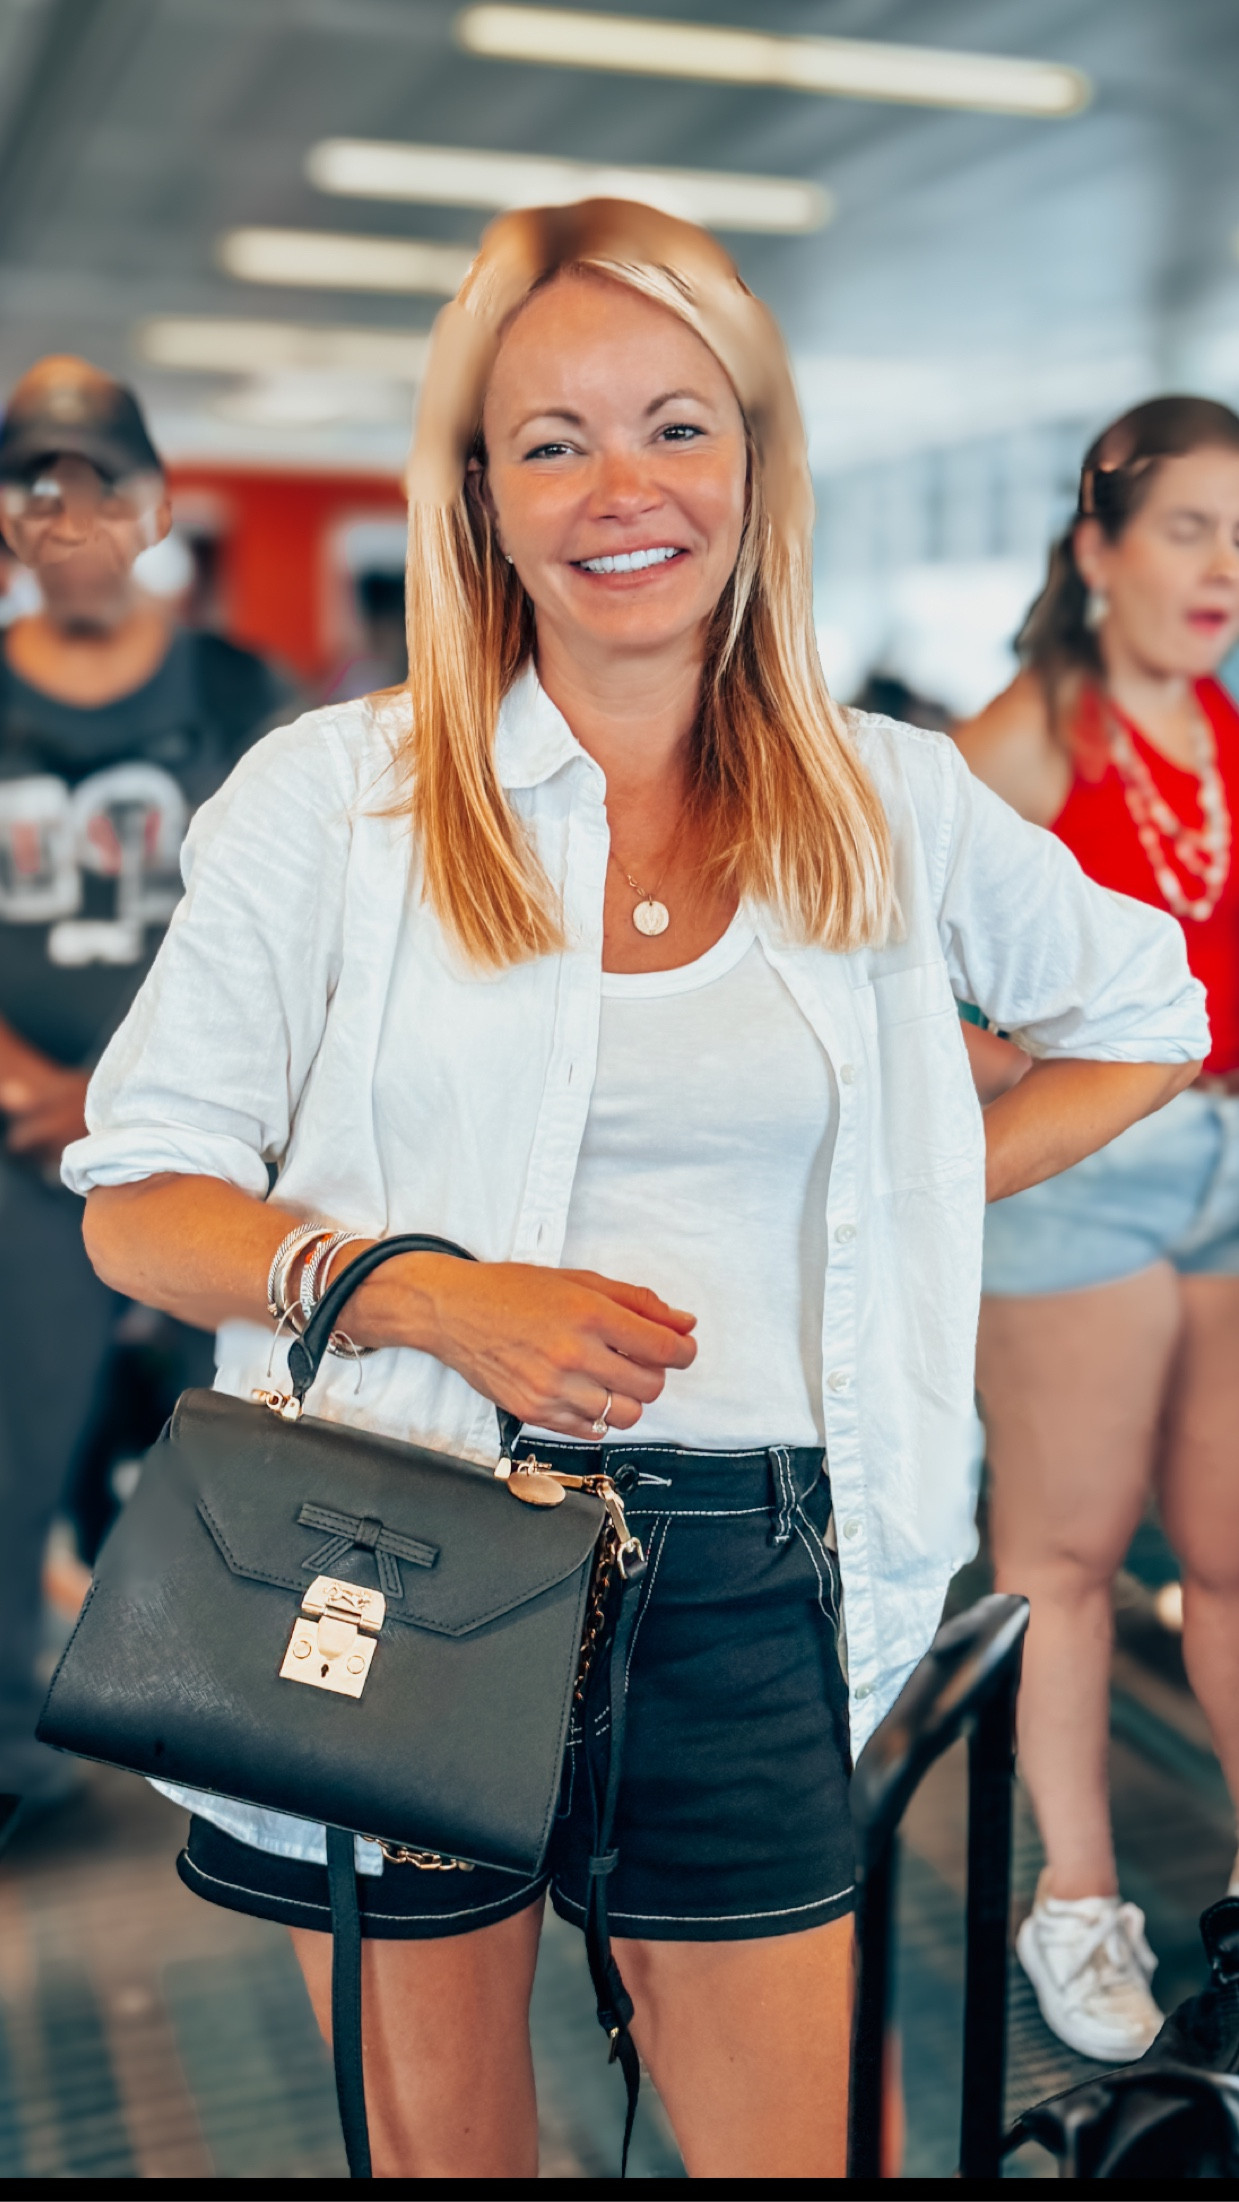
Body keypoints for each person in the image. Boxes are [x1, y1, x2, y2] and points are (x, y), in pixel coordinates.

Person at [63, 205, 1205, 2178]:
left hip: (748, 1570)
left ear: (755, 464)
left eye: (676, 427)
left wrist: (910, 1188)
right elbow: (139, 1199)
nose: (621, 491)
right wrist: (422, 1289)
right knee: (451, 2159)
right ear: (478, 494)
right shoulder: (335, 801)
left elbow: (1149, 1006)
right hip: (399, 1541)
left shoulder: (885, 802)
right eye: (551, 440)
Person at [955, 396, 1239, 2065]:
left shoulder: (1219, 719)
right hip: (1087, 1172)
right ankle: (1073, 1899)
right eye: (1190, 528)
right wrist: (1028, 1068)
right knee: (1064, 1559)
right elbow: (886, 958)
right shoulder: (1022, 735)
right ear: (1098, 550)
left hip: (1225, 1164)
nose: (1219, 569)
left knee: (1228, 1555)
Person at [0, 357, 289, 1809]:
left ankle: (229, 1729)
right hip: (12, 1147)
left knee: (227, 1445)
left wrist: (127, 1090)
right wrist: (37, 1089)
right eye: (31, 483)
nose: (66, 511)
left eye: (97, 479)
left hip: (207, 1148)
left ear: (155, 503)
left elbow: (297, 921)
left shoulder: (242, 695)